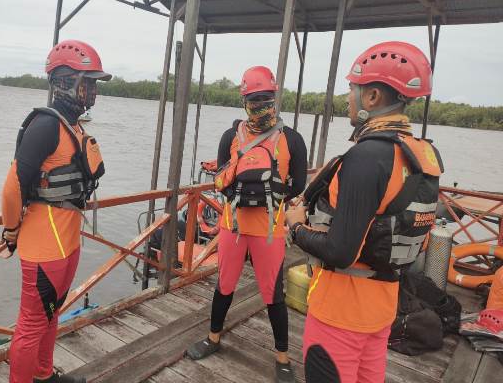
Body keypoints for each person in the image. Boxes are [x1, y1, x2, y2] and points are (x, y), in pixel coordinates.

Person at [285, 42, 443, 383]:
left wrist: (296, 228)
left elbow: (340, 252)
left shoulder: (367, 158)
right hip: (382, 309)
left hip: (339, 315)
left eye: (351, 90)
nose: (347, 99)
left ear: (372, 97)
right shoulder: (422, 155)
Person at [187, 66, 308, 383]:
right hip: (237, 227)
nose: (260, 104)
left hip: (262, 230)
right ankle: (214, 338)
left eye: (264, 98)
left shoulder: (291, 140)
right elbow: (224, 181)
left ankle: (282, 357)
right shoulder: (234, 137)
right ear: (246, 100)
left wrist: (254, 193)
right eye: (255, 99)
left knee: (273, 295)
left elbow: (224, 184)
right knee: (226, 286)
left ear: (273, 97)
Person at [1, 40, 111, 383]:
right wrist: (10, 231)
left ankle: (43, 375)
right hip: (43, 249)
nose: (92, 91)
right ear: (63, 81)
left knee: (52, 315)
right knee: (31, 324)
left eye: (94, 84)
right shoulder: (45, 126)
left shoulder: (73, 127)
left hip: (67, 244)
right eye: (86, 82)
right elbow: (13, 187)